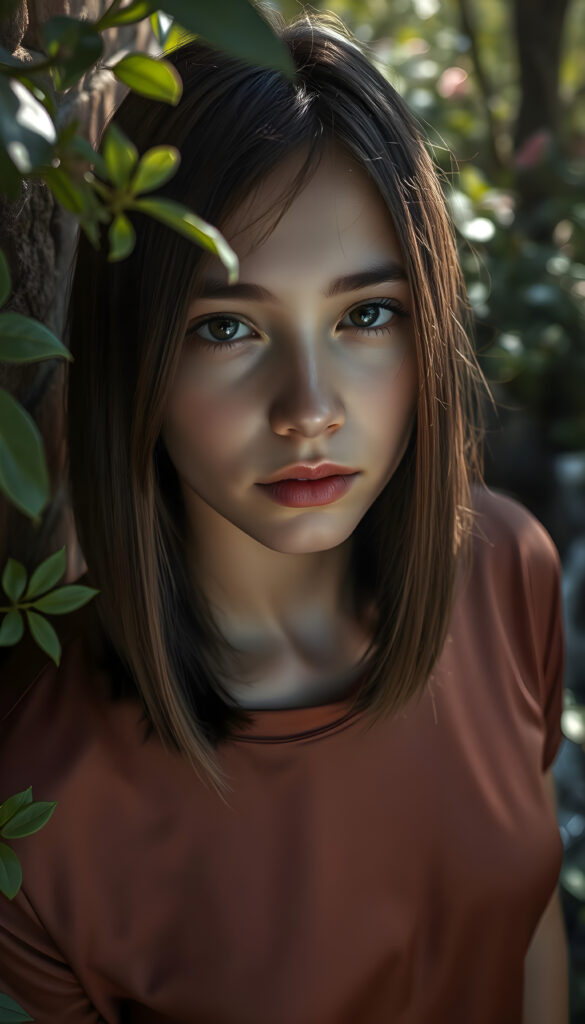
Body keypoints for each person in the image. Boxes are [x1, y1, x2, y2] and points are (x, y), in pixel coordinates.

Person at [0, 11, 569, 1023]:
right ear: (136, 353)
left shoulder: (503, 570)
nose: (309, 409)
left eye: (366, 315)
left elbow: (525, 932)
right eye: (227, 327)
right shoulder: (42, 788)